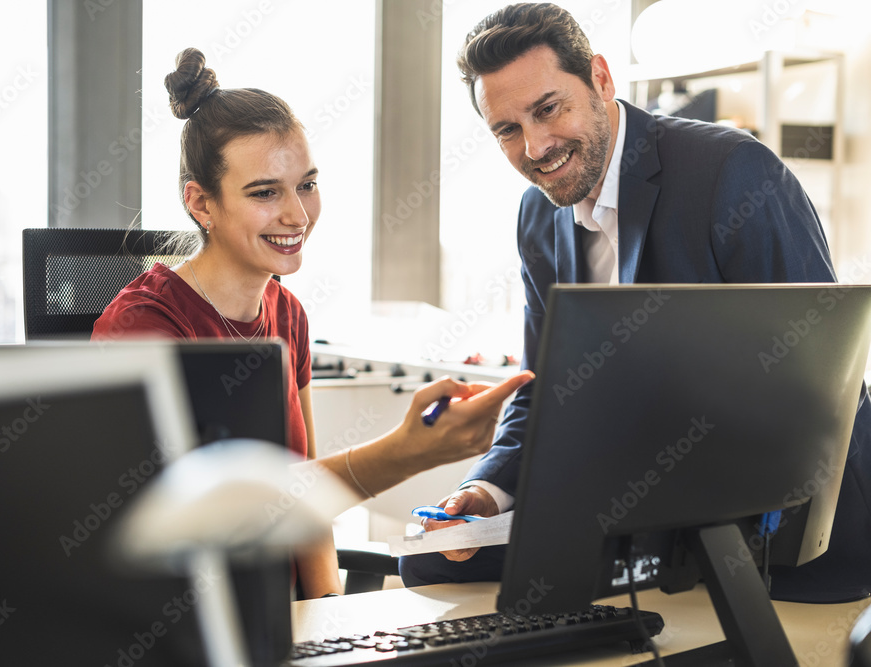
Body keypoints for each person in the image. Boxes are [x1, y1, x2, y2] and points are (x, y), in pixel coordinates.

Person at [398, 2, 871, 604]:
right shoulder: (537, 215)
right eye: (508, 129)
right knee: (436, 561)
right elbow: (542, 386)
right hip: (635, 497)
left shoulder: (732, 172)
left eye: (548, 109)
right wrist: (487, 492)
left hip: (761, 506)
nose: (537, 146)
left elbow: (824, 377)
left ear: (600, 78)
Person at [91, 47, 534, 599]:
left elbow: (305, 497)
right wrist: (405, 452)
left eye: (306, 184)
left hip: (283, 620)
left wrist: (329, 616)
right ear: (201, 203)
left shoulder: (287, 313)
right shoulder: (143, 325)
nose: (298, 216)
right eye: (265, 192)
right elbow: (195, 526)